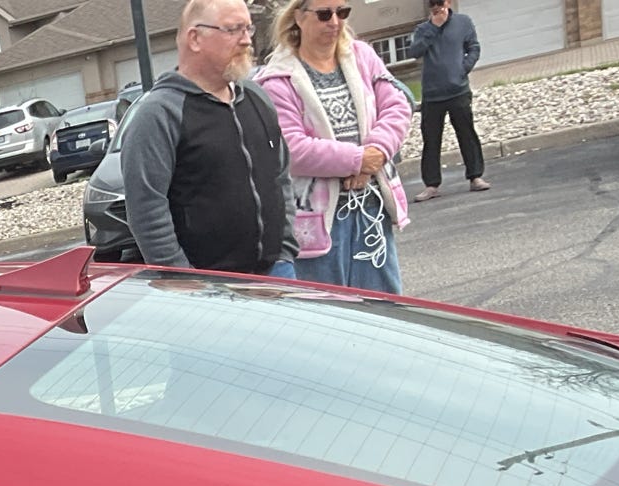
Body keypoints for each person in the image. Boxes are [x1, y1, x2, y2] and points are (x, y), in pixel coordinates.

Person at [120, 0, 300, 277]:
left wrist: (285, 250)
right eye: (233, 29)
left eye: (248, 28)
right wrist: (183, 277)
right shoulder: (159, 114)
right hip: (208, 290)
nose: (247, 40)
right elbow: (146, 209)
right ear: (195, 38)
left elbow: (281, 177)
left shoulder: (257, 98)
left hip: (277, 273)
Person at [256, 1, 413, 292]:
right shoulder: (276, 79)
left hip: (371, 209)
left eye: (342, 12)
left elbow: (397, 106)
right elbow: (293, 148)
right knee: (329, 312)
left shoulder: (363, 56)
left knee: (384, 311)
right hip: (317, 222)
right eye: (324, 14)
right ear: (298, 17)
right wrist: (357, 160)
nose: (335, 22)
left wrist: (376, 153)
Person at [409, 0, 487, 197]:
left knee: (467, 134)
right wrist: (433, 29)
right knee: (431, 140)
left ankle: (475, 177)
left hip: (458, 90)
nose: (437, 7)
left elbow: (474, 47)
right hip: (432, 95)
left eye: (439, 3)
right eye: (432, 5)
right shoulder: (422, 29)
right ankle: (431, 185)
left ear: (448, 2)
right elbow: (415, 51)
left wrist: (463, 68)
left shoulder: (463, 22)